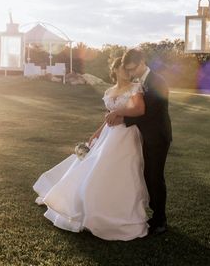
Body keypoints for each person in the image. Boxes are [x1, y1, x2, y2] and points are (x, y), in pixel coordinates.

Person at [32, 58, 149, 241]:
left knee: (119, 171)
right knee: (95, 167)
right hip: (108, 135)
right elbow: (107, 118)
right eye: (123, 68)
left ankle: (118, 215)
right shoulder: (109, 91)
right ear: (115, 70)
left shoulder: (135, 87)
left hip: (126, 136)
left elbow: (139, 110)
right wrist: (96, 133)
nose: (127, 71)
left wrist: (119, 113)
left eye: (129, 68)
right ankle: (87, 209)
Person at [106, 48, 172, 235]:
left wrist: (122, 117)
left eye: (133, 68)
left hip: (158, 136)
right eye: (128, 69)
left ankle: (161, 220)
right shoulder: (140, 81)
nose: (131, 73)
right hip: (145, 135)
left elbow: (150, 112)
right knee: (147, 175)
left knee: (155, 177)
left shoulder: (158, 81)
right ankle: (155, 215)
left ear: (142, 61)